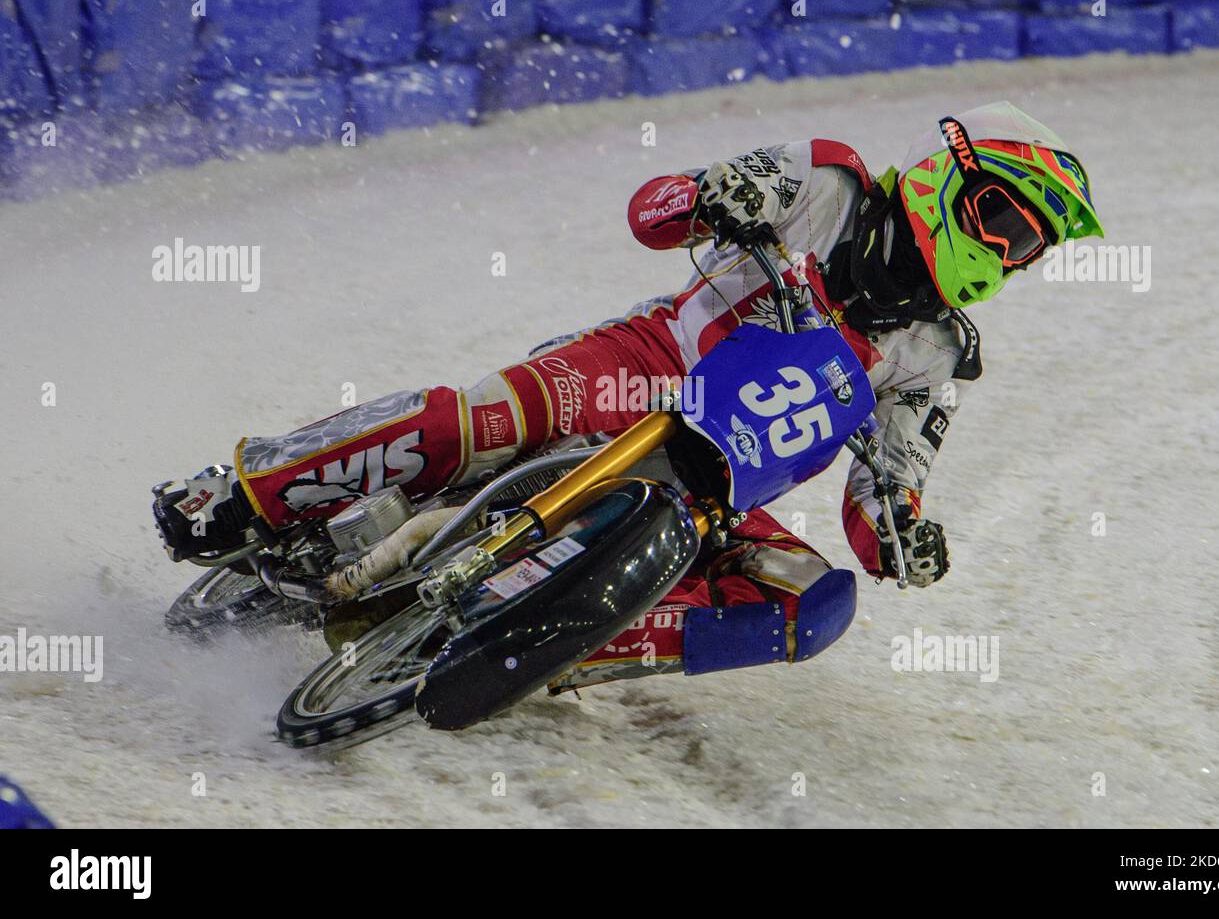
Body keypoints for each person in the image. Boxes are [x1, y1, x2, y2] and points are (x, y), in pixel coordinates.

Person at [153, 101, 1103, 690]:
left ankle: (561, 651)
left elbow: (880, 502)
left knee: (819, 605)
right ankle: (248, 488)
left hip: (718, 487)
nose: (1003, 254)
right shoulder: (827, 179)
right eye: (1000, 219)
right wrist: (710, 191)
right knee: (476, 420)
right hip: (641, 366)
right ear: (946, 178)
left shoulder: (936, 356)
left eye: (1026, 246)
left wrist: (906, 534)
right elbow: (652, 214)